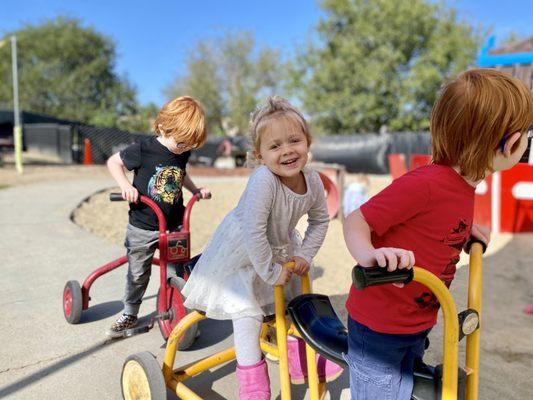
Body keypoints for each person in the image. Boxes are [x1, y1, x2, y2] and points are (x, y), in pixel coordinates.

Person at [342, 69, 533, 400]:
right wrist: (368, 256)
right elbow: (357, 220)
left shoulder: (464, 185)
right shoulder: (427, 184)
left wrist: (463, 231)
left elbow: (435, 222)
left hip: (416, 321)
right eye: (526, 133)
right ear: (510, 142)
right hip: (379, 328)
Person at [182, 96, 343, 400]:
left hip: (280, 246)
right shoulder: (263, 181)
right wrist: (269, 271)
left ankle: (298, 358)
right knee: (248, 312)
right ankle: (252, 384)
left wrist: (305, 254)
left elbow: (321, 221)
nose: (287, 151)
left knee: (299, 297)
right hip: (244, 250)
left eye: (294, 140)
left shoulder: (313, 179)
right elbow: (253, 231)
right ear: (259, 155)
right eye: (275, 146)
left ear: (308, 142)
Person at [106, 96, 211, 338]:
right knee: (138, 272)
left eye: (189, 146)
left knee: (177, 269)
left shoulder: (182, 152)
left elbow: (180, 174)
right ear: (164, 127)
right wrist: (125, 186)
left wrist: (195, 191)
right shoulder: (143, 149)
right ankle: (130, 313)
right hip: (143, 225)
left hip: (173, 224)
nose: (184, 148)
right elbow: (114, 163)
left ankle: (179, 314)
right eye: (181, 143)